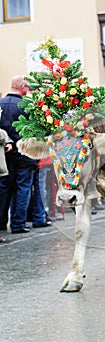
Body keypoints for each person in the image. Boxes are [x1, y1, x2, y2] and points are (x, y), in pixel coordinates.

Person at [0, 75, 37, 234]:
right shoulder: (26, 106)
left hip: (5, 154)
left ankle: (1, 222)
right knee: (23, 188)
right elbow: (33, 132)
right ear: (23, 87)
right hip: (23, 153)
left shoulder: (0, 104)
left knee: (4, 188)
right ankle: (18, 223)